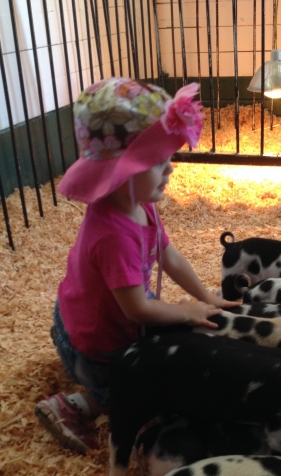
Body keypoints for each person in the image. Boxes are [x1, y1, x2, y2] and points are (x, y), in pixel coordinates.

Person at [35, 77, 239, 454]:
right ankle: (75, 405)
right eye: (157, 162)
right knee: (138, 392)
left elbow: (169, 255)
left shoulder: (138, 205)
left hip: (99, 312)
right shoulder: (113, 234)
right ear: (122, 172)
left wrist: (205, 296)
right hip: (95, 344)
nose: (171, 169)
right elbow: (138, 308)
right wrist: (184, 310)